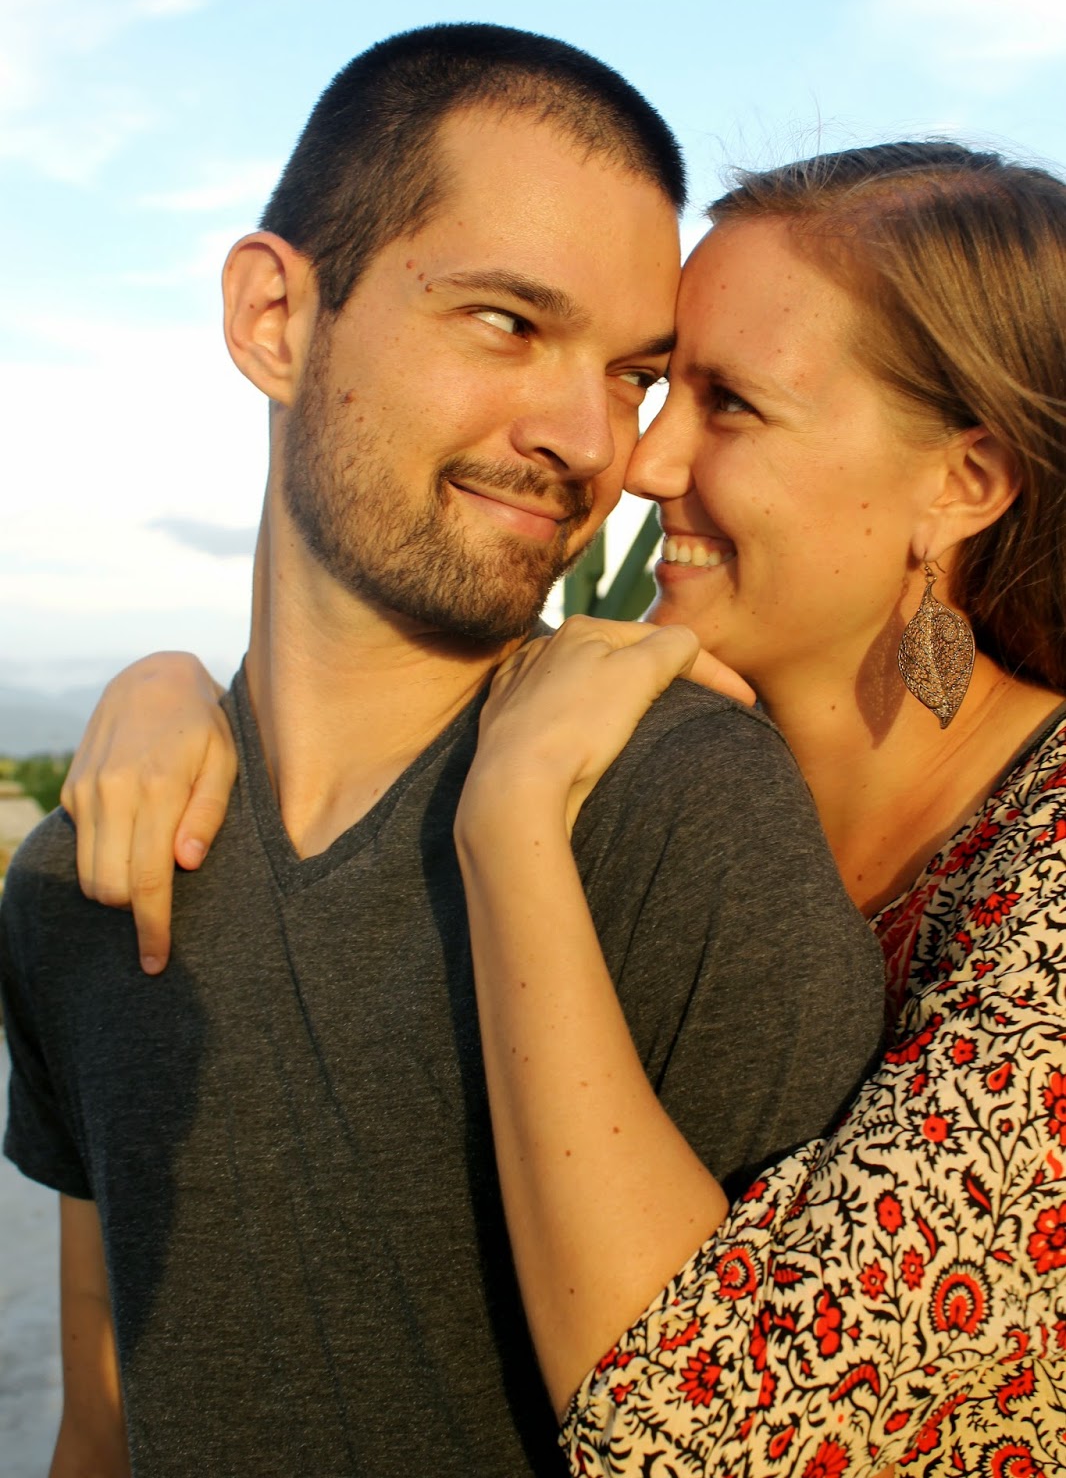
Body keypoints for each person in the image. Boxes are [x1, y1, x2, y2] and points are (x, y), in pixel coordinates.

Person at [68, 140, 1066, 1474]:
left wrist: (514, 821)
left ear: (963, 483)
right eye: (659, 385)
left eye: (730, 405)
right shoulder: (687, 773)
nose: (638, 464)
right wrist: (172, 687)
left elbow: (720, 1437)